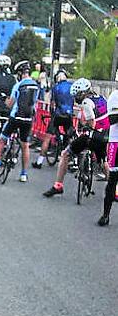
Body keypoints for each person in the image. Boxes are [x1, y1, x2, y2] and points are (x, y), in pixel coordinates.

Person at [43, 77, 109, 198]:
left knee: (66, 153)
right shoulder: (102, 98)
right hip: (105, 134)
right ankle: (114, 190)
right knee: (103, 160)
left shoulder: (86, 102)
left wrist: (84, 129)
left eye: (77, 95)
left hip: (93, 136)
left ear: (83, 93)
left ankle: (58, 186)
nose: (75, 99)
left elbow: (91, 122)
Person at [0, 60, 39, 182]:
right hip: (28, 119)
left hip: (15, 117)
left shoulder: (18, 85)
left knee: (2, 139)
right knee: (25, 146)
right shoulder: (35, 85)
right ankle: (23, 174)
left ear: (19, 73)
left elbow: (10, 104)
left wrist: (5, 99)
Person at [35, 69, 73, 167]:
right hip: (68, 115)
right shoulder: (71, 86)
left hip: (58, 114)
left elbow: (52, 104)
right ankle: (73, 160)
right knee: (69, 135)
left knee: (47, 137)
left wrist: (52, 114)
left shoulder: (56, 87)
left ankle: (39, 161)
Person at [100, 85, 118, 226]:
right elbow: (112, 119)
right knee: (113, 180)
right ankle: (106, 215)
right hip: (116, 143)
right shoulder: (115, 96)